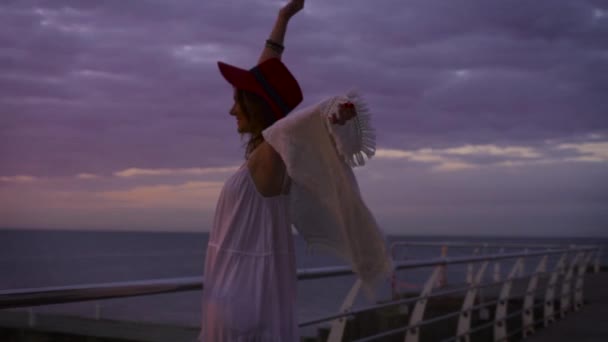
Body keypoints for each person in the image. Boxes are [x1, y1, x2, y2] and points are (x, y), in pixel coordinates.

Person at [198, 1, 362, 341]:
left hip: (241, 298)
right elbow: (267, 80)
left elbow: (304, 128)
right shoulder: (265, 153)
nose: (231, 111)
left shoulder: (272, 155)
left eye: (238, 101)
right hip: (244, 292)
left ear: (255, 106)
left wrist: (331, 119)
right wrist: (282, 19)